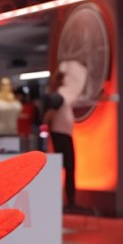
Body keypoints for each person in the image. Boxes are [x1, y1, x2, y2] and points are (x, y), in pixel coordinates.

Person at [43, 69, 82, 212]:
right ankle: (55, 200)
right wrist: (45, 132)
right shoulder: (56, 97)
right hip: (59, 135)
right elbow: (48, 116)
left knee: (70, 168)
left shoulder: (62, 96)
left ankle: (70, 201)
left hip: (65, 134)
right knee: (63, 168)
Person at [0, 77, 23, 152]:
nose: (5, 87)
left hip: (12, 132)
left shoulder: (16, 103)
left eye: (8, 84)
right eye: (3, 85)